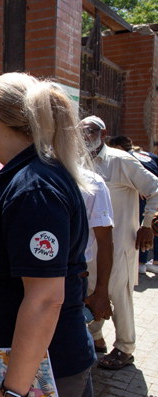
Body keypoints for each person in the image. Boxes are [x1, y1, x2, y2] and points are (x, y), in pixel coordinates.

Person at [0, 73, 95, 397]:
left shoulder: (35, 188)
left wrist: (13, 391)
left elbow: (45, 298)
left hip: (34, 373)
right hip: (3, 363)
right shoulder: (23, 175)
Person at [83, 115, 158, 370]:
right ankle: (96, 337)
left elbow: (155, 189)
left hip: (120, 243)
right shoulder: (81, 161)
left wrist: (147, 225)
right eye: (81, 131)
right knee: (93, 290)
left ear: (103, 134)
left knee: (119, 294)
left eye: (91, 131)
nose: (85, 136)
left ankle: (125, 348)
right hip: (92, 244)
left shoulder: (121, 161)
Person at [107, 135, 158, 274]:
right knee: (155, 226)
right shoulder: (147, 154)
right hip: (154, 193)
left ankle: (141, 262)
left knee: (144, 227)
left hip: (149, 194)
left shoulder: (124, 159)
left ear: (118, 147)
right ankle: (155, 261)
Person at [79, 169, 114, 327]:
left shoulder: (92, 182)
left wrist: (101, 291)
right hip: (26, 282)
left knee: (71, 341)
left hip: (72, 281)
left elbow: (105, 241)